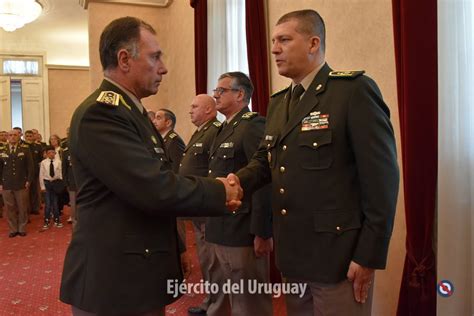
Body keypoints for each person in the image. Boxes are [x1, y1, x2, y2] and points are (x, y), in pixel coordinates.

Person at [59, 16, 241, 316]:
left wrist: (177, 248)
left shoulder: (133, 112)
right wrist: (221, 191)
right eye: (155, 56)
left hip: (134, 272)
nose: (164, 67)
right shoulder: (102, 113)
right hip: (113, 283)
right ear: (124, 59)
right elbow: (153, 188)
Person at [230, 9, 400, 316]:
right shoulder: (279, 102)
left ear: (313, 43)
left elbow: (382, 178)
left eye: (284, 39)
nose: (274, 49)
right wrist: (232, 183)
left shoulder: (352, 91)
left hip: (338, 255)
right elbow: (266, 161)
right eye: (272, 41)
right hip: (294, 253)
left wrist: (369, 256)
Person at [205, 72, 273, 316]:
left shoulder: (252, 125)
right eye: (216, 90)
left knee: (249, 304)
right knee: (225, 299)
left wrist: (262, 231)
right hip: (220, 226)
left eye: (221, 90)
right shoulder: (224, 128)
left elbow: (264, 178)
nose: (215, 95)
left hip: (242, 229)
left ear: (240, 94)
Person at [178, 94, 222, 315]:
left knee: (212, 260)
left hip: (206, 207)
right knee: (205, 258)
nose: (190, 110)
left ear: (208, 109)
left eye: (194, 106)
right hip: (197, 206)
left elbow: (213, 170)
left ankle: (215, 305)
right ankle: (211, 300)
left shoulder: (215, 131)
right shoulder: (202, 131)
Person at [0, 129, 34, 237]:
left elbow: (30, 167)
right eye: (10, 135)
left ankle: (22, 228)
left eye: (15, 135)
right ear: (7, 137)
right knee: (10, 208)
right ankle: (13, 229)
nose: (12, 137)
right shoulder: (2, 150)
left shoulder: (25, 149)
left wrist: (28, 180)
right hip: (6, 183)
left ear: (19, 136)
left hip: (21, 183)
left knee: (22, 207)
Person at [153, 108, 185, 173]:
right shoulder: (161, 139)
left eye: (158, 118)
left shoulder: (174, 140)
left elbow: (176, 166)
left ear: (168, 123)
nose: (154, 121)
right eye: (154, 118)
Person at [39, 146, 63, 229]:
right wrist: (42, 186)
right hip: (47, 183)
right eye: (49, 153)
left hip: (55, 183)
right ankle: (46, 221)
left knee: (55, 203)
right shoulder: (43, 162)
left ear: (55, 153)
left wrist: (61, 184)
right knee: (48, 203)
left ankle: (57, 220)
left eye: (53, 152)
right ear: (46, 154)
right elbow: (41, 175)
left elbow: (61, 174)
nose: (51, 154)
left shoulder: (59, 162)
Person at [24, 130, 43, 215]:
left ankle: (35, 208)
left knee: (35, 191)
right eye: (27, 136)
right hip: (25, 174)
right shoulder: (22, 147)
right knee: (26, 193)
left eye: (30, 136)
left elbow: (40, 160)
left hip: (35, 172)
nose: (28, 138)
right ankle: (27, 209)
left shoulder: (38, 147)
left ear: (33, 137)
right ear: (24, 137)